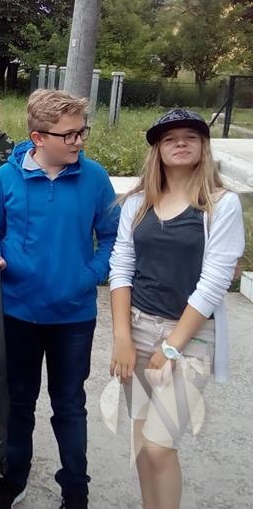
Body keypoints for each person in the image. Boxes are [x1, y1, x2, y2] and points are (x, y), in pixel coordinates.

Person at [0, 89, 120, 509]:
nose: (79, 141)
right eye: (69, 135)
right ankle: (13, 479)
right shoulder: (8, 177)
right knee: (18, 404)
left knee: (69, 406)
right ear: (38, 138)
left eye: (81, 132)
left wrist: (89, 276)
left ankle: (75, 490)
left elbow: (112, 237)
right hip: (17, 312)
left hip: (73, 318)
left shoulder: (94, 178)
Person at [108, 109, 244, 509]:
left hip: (190, 338)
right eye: (169, 138)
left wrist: (171, 348)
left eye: (190, 136)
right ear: (158, 150)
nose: (180, 143)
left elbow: (215, 281)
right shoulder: (138, 203)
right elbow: (121, 266)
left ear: (203, 146)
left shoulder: (220, 204)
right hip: (138, 328)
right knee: (142, 440)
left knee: (159, 444)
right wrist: (121, 337)